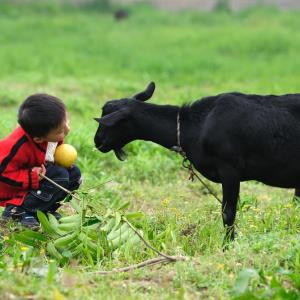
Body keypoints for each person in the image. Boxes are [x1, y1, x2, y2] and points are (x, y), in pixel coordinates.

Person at [0, 94, 81, 228]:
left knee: (74, 175)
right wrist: (30, 176)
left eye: (66, 121)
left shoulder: (47, 132)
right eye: (60, 130)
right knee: (59, 175)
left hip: (37, 178)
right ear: (38, 139)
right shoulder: (17, 147)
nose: (67, 129)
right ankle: (18, 211)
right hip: (16, 187)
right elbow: (3, 172)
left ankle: (44, 209)